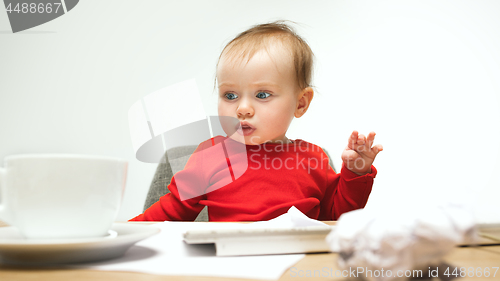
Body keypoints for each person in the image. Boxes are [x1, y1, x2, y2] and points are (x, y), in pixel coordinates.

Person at [130, 21, 383, 222]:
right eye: (230, 95)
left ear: (300, 103)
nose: (242, 109)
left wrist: (356, 172)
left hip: (297, 264)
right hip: (231, 264)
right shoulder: (211, 156)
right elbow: (164, 217)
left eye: (262, 95)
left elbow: (337, 218)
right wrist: (118, 236)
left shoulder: (313, 158)